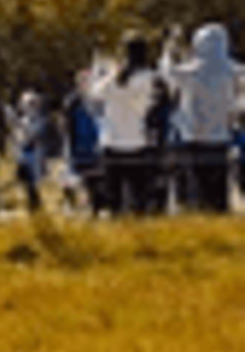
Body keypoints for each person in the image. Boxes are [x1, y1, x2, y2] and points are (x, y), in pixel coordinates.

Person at [95, 34, 170, 219]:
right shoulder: (152, 78)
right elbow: (167, 97)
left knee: (114, 201)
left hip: (111, 142)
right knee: (140, 200)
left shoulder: (113, 79)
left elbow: (94, 93)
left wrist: (111, 70)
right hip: (138, 142)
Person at [174, 24, 238, 214]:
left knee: (197, 188)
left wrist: (172, 48)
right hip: (221, 137)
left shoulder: (190, 71)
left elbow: (167, 72)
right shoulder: (231, 71)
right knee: (218, 188)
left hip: (193, 137)